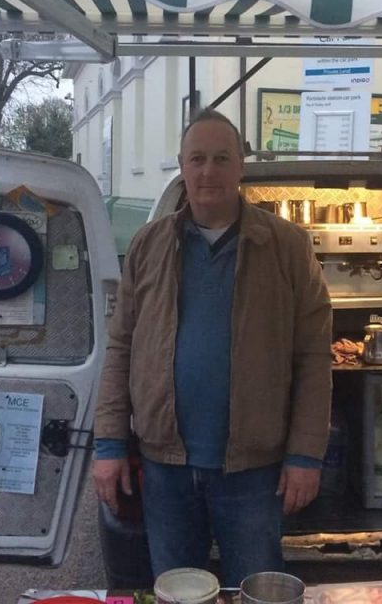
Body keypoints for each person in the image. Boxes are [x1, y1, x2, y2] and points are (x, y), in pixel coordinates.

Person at [92, 108, 333, 586]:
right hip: (166, 468)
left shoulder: (286, 246)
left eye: (222, 158)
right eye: (197, 158)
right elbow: (121, 346)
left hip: (254, 471)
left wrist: (306, 456)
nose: (208, 171)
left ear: (241, 166)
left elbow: (313, 355)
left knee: (259, 592)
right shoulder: (148, 245)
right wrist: (110, 442)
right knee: (177, 592)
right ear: (181, 165)